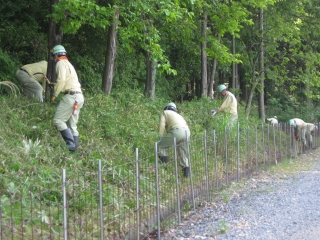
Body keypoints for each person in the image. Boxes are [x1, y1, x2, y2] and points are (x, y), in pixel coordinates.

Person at [50, 45, 84, 151]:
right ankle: (74, 151)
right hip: (79, 96)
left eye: (53, 56)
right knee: (72, 125)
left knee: (58, 120)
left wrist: (54, 94)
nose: (53, 58)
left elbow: (61, 80)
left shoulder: (60, 64)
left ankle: (70, 145)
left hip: (71, 96)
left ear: (56, 55)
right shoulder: (69, 64)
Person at [158, 102, 191, 177]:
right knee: (183, 153)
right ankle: (186, 176)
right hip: (187, 132)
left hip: (177, 131)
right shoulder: (178, 115)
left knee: (160, 146)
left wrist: (160, 136)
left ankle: (164, 169)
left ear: (167, 108)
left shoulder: (165, 112)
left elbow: (162, 125)